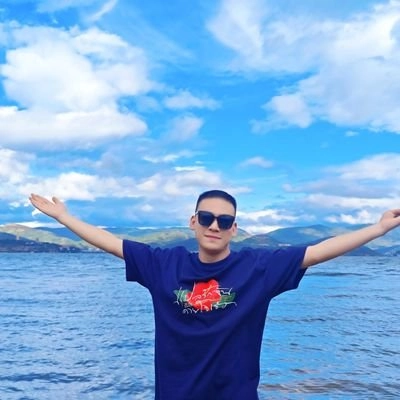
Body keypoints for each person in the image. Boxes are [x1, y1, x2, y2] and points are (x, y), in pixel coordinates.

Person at [29, 190, 400, 400]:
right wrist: (64, 217)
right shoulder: (163, 264)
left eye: (224, 221)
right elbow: (111, 243)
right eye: (206, 218)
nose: (214, 226)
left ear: (234, 229)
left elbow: (317, 252)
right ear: (193, 222)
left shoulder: (258, 268)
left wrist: (378, 228)